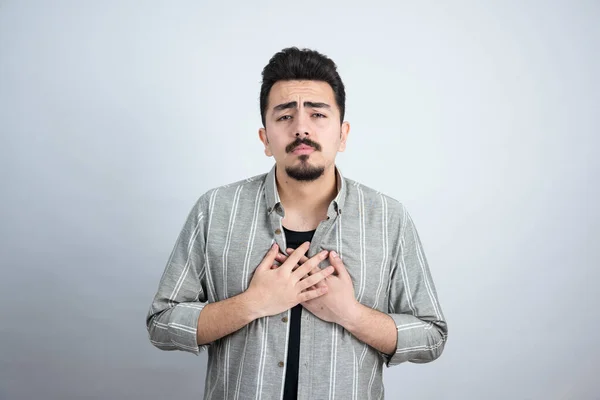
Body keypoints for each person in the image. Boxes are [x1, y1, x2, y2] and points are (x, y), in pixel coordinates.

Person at [146, 47, 448, 400]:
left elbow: (431, 336)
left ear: (343, 134)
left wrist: (351, 314)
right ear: (265, 139)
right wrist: (252, 304)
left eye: (318, 114)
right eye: (285, 116)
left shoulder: (388, 218)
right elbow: (162, 324)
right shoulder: (215, 210)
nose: (301, 128)